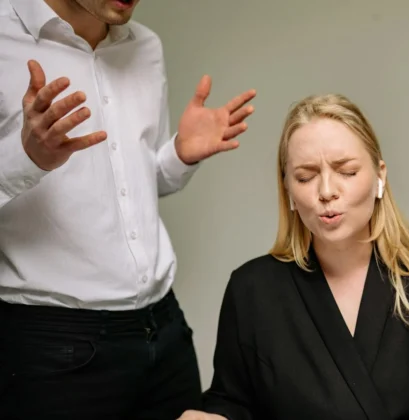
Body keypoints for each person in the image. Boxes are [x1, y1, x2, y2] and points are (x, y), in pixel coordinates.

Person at [177, 93, 409, 420]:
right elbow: (232, 400)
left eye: (347, 172)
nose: (325, 192)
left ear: (380, 176)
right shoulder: (252, 288)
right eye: (305, 177)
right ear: (289, 191)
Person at [0, 0, 256, 419]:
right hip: (51, 347)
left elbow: (129, 190)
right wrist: (26, 157)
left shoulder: (145, 48)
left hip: (164, 328)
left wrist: (178, 156)